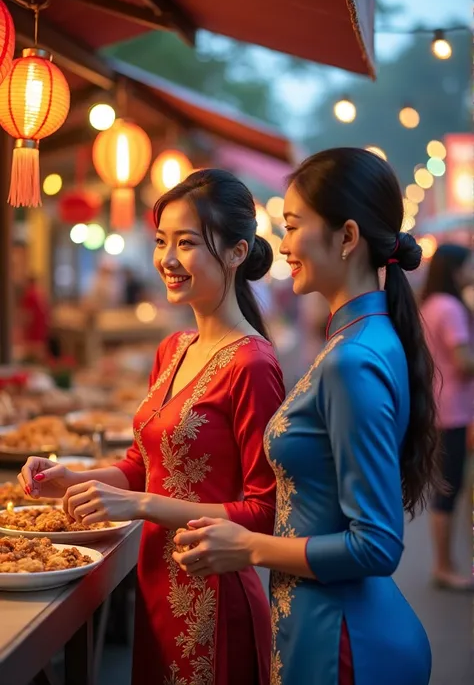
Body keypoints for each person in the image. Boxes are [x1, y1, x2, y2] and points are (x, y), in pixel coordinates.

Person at [173, 148, 444, 685]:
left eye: (293, 226)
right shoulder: (356, 339)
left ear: (346, 237)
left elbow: (377, 544)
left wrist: (248, 546)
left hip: (343, 645)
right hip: (325, 629)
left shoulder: (352, 359)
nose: (285, 245)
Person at [19, 169, 285, 685]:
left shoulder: (252, 364)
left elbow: (263, 513)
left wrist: (140, 506)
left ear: (237, 252)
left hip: (214, 598)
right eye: (162, 241)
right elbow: (144, 466)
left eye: (186, 242)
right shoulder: (174, 348)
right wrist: (71, 480)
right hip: (157, 582)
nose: (166, 258)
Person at [420, 243, 474, 590]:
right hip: (456, 411)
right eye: (469, 264)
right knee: (450, 489)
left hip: (440, 407)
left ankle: (446, 563)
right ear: (454, 268)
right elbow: (463, 363)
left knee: (447, 488)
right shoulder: (452, 307)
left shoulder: (430, 304)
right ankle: (444, 565)